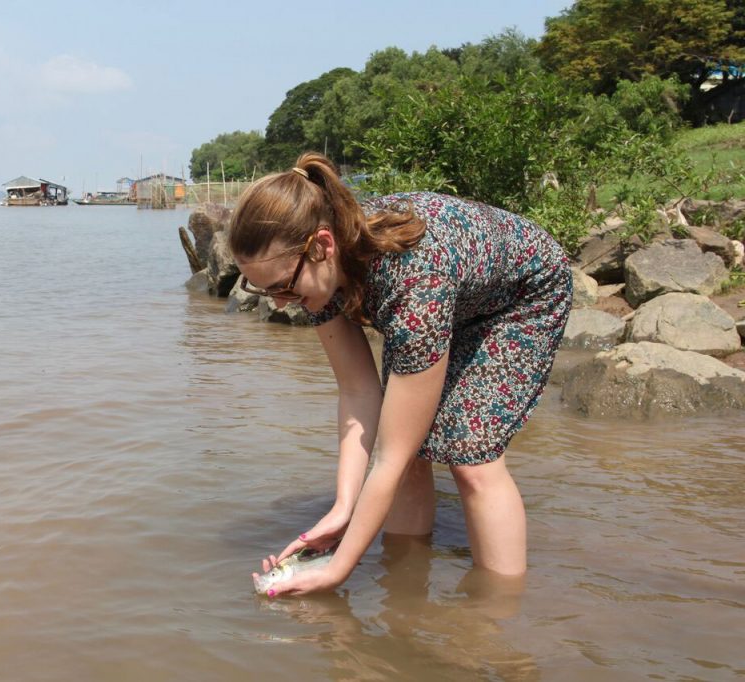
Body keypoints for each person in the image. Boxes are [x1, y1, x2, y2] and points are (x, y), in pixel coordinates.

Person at [230, 152, 572, 597]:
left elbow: (386, 456)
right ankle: (405, 588)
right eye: (263, 289)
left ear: (322, 246)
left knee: (471, 457)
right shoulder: (318, 277)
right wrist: (343, 508)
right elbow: (357, 390)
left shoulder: (413, 285)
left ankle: (498, 614)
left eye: (282, 288)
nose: (277, 302)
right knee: (411, 456)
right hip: (451, 292)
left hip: (521, 295)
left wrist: (339, 569)